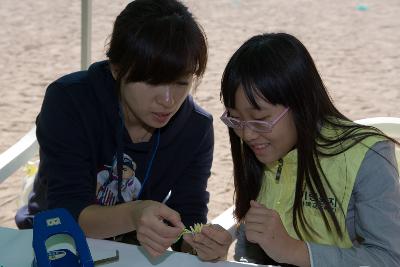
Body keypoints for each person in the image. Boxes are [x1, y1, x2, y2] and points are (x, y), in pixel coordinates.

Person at [15, 0, 231, 260]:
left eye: (181, 83)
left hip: (133, 251)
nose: (168, 100)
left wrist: (200, 244)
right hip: (52, 241)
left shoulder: (196, 127)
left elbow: (189, 216)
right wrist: (134, 213)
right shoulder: (70, 101)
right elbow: (68, 209)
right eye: (153, 81)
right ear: (116, 68)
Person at [216, 32, 400, 266]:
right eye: (235, 119)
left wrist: (295, 251)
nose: (247, 134)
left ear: (301, 104)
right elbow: (252, 239)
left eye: (260, 119)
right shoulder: (265, 146)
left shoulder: (368, 157)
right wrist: (221, 249)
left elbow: (389, 259)